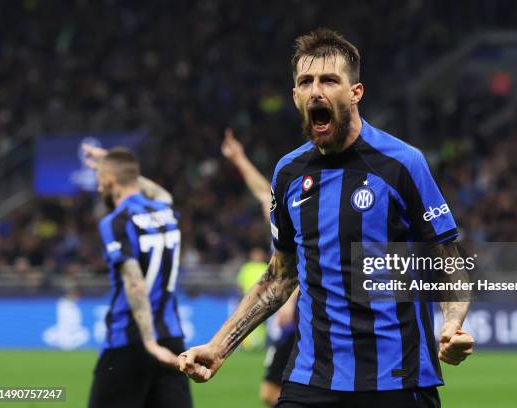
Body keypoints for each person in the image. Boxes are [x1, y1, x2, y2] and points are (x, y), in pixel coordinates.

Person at [180, 28, 474, 407]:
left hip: (397, 381)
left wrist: (451, 323)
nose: (316, 90)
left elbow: (447, 261)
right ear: (295, 96)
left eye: (329, 80)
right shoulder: (288, 173)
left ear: (356, 92)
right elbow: (279, 278)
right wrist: (219, 348)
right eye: (306, 81)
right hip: (312, 379)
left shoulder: (402, 164)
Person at [84, 145, 192, 408]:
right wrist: (121, 169)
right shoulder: (164, 211)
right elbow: (162, 194)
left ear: (110, 181)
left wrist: (149, 342)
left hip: (131, 340)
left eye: (100, 181)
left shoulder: (116, 221)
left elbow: (134, 282)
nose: (99, 189)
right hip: (171, 337)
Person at [221, 128, 299, 407]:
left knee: (274, 392)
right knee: (271, 394)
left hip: (301, 316)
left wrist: (291, 301)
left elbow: (310, 260)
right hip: (289, 318)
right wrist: (239, 159)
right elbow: (262, 193)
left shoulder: (304, 214)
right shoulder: (283, 212)